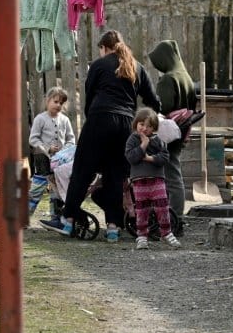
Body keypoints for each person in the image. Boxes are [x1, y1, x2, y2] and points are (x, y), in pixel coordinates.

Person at [41, 29, 161, 242]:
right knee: (115, 175)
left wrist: (93, 120)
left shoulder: (98, 65)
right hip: (125, 124)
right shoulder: (138, 67)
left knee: (82, 170)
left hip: (100, 119)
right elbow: (153, 101)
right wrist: (149, 124)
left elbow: (89, 98)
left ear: (104, 48)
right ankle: (113, 228)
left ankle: (68, 221)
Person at [147, 39, 204, 236]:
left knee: (171, 175)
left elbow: (163, 107)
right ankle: (172, 217)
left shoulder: (168, 79)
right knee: (173, 173)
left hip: (169, 131)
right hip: (182, 130)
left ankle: (175, 219)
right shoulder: (185, 76)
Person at [125, 108, 181, 250]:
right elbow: (131, 157)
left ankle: (166, 232)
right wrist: (143, 145)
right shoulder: (132, 140)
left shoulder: (158, 141)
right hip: (139, 181)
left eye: (149, 126)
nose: (144, 128)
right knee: (142, 210)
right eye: (142, 124)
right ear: (136, 124)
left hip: (157, 180)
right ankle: (142, 236)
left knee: (162, 207)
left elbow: (165, 157)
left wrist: (150, 158)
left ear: (154, 128)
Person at [28, 86, 75, 220]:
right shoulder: (40, 119)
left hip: (60, 160)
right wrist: (47, 148)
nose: (58, 105)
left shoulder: (65, 120)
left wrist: (64, 150)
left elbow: (71, 139)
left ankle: (56, 217)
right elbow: (33, 139)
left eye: (61, 103)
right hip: (42, 158)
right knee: (37, 186)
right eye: (55, 102)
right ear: (47, 101)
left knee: (57, 187)